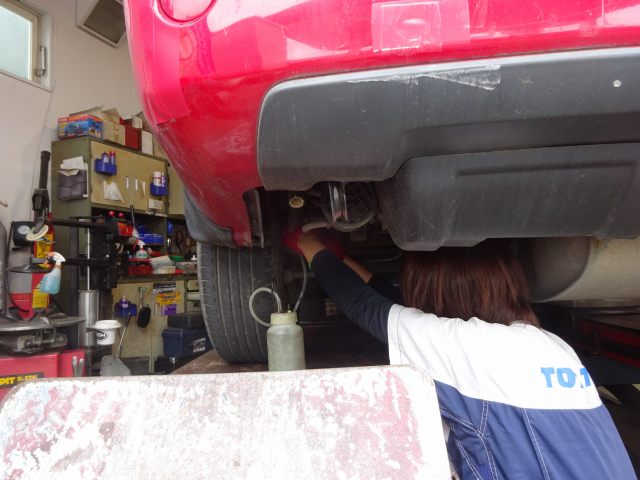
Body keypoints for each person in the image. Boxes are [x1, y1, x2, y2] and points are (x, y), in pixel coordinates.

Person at [292, 231, 635, 479]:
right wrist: (339, 256)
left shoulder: (466, 345)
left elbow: (362, 306)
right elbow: (397, 306)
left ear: (435, 290)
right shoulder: (551, 345)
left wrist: (307, 243)